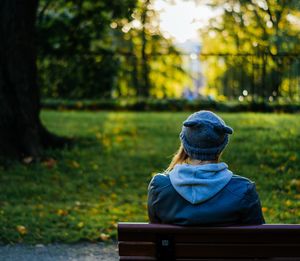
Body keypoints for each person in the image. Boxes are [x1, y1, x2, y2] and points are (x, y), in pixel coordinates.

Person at [148, 110, 265, 225]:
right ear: (221, 147)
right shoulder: (243, 190)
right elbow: (259, 240)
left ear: (185, 144)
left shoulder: (159, 187)